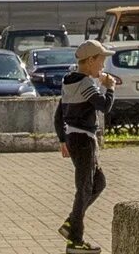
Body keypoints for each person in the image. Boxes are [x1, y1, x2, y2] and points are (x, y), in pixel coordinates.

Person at [54, 38, 120, 253]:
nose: (103, 66)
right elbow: (104, 107)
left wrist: (63, 139)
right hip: (83, 140)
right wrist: (109, 88)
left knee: (98, 182)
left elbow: (59, 114)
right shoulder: (85, 83)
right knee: (84, 188)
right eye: (101, 60)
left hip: (74, 139)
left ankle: (72, 222)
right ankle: (75, 240)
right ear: (91, 60)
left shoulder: (68, 81)